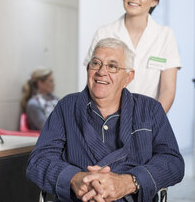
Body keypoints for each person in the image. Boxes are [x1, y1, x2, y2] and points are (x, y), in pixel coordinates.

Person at [26, 38, 184, 202]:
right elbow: (38, 161)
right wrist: (74, 179)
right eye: (96, 63)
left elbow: (173, 162)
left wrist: (128, 182)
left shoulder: (150, 109)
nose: (101, 71)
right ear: (88, 69)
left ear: (128, 77)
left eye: (112, 66)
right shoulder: (66, 107)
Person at [84, 0, 181, 113]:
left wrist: (152, 123)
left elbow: (168, 90)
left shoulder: (165, 35)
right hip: (107, 119)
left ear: (154, 1)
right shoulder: (104, 33)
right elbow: (93, 82)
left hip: (148, 119)